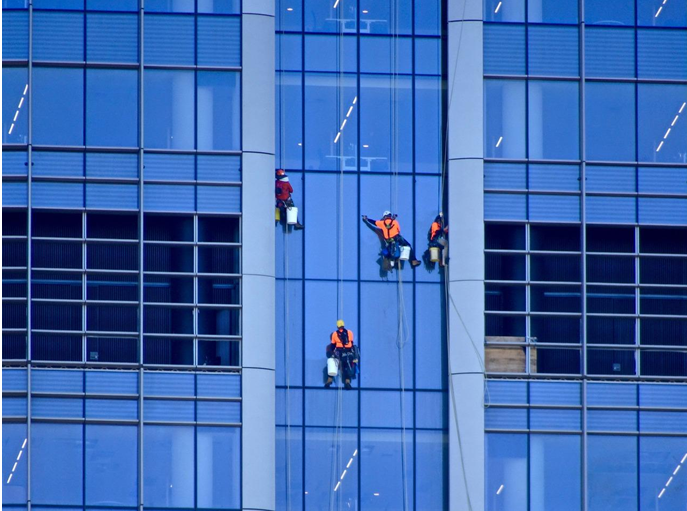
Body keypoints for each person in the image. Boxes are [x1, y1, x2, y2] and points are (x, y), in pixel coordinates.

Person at [325, 319, 357, 390]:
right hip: (349, 353)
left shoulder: (334, 334)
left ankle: (329, 381)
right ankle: (347, 382)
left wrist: (332, 354)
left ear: (337, 326)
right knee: (347, 367)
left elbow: (333, 345)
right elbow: (351, 343)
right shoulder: (350, 332)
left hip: (339, 353)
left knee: (332, 364)